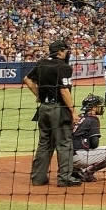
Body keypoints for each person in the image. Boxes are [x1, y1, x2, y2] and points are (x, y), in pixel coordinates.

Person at [24, 39, 78, 188]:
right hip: (58, 109)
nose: (67, 53)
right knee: (64, 143)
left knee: (44, 144)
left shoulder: (42, 63)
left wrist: (39, 95)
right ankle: (64, 178)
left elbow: (27, 79)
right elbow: (64, 90)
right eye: (66, 50)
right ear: (60, 51)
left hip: (43, 108)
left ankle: (38, 178)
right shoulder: (64, 67)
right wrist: (72, 111)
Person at [70, 97, 106, 181]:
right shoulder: (93, 119)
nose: (101, 108)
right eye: (99, 105)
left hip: (67, 158)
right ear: (94, 107)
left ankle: (74, 170)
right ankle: (87, 173)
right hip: (80, 157)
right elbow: (95, 144)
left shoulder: (78, 117)